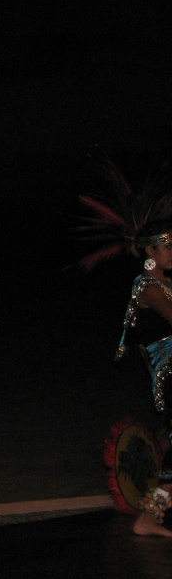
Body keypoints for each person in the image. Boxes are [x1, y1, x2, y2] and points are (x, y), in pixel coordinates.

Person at [115, 220, 172, 537]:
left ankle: (151, 510)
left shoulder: (167, 284)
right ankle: (149, 516)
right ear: (150, 250)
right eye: (168, 246)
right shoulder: (146, 286)